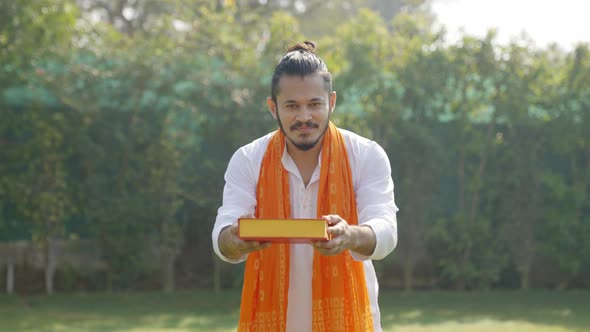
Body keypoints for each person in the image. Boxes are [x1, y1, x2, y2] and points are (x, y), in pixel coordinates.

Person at [212, 40, 398, 332]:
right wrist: (235, 239)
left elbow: (386, 231)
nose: (304, 117)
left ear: (332, 102)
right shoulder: (249, 159)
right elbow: (223, 235)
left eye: (314, 104)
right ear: (273, 108)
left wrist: (349, 235)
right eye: (292, 106)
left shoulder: (366, 154)